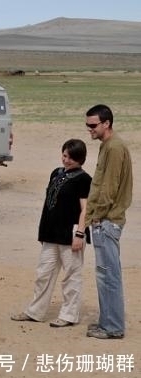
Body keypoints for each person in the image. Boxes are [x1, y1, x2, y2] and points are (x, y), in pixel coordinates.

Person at [11, 139, 91, 328]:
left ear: (81, 159)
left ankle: (69, 315)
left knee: (71, 275)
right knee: (43, 273)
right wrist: (43, 232)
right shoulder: (56, 173)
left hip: (70, 232)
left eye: (71, 158)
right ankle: (35, 311)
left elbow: (85, 209)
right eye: (65, 155)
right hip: (51, 232)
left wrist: (79, 234)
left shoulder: (84, 179)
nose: (66, 160)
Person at [83, 104, 133, 340]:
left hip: (107, 221)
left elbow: (108, 189)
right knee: (105, 274)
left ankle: (112, 327)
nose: (89, 130)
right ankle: (106, 323)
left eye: (93, 125)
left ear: (106, 123)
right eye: (87, 125)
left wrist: (96, 217)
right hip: (105, 220)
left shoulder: (114, 148)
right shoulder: (109, 145)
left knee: (108, 275)